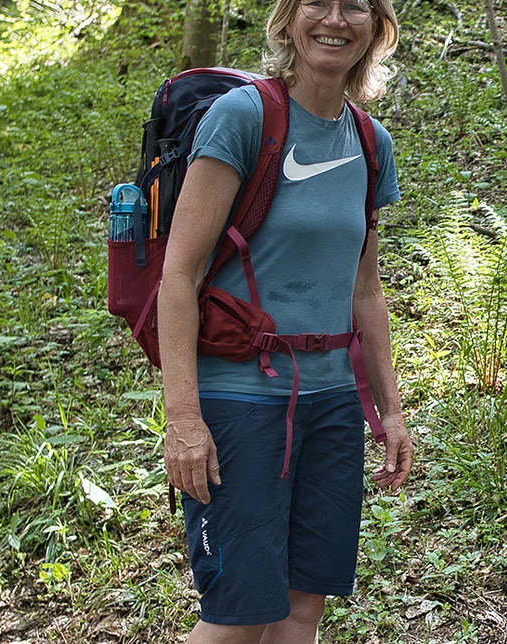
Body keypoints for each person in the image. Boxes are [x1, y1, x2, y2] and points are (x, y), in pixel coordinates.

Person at [155, 0, 412, 641]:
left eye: (354, 5)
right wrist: (183, 419)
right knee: (239, 618)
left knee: (304, 607)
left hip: (331, 403)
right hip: (240, 398)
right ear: (287, 21)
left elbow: (365, 291)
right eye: (314, 4)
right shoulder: (244, 118)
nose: (334, 19)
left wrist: (391, 409)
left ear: (378, 27)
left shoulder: (369, 141)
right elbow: (178, 278)